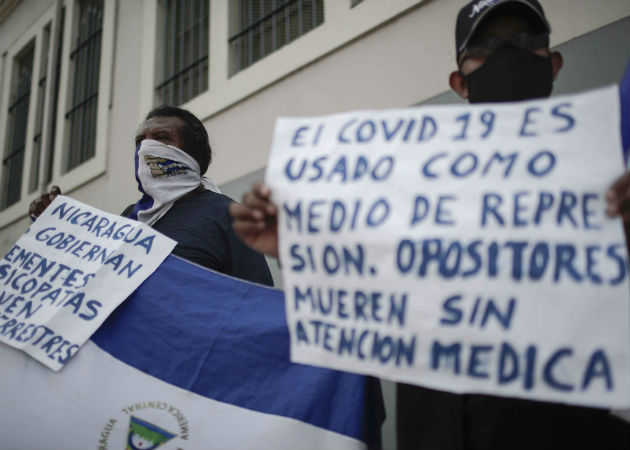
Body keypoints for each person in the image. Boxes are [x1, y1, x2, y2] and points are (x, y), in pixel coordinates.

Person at [229, 0, 630, 448]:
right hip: (434, 428)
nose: (507, 53)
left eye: (525, 40)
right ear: (460, 81)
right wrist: (297, 246)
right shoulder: (411, 189)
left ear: (552, 62)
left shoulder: (607, 175)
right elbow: (373, 295)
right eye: (486, 45)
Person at [30, 105, 273, 287]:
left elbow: (257, 300)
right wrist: (55, 227)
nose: (144, 149)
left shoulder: (227, 215)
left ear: (193, 156)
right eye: (139, 141)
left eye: (161, 138)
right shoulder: (127, 219)